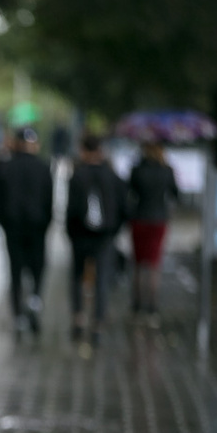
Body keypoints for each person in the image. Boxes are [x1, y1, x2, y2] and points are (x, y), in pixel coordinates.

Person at [65, 133, 125, 351]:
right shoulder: (112, 176)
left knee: (77, 278)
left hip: (80, 235)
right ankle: (98, 325)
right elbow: (123, 207)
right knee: (101, 282)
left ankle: (78, 319)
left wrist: (70, 234)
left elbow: (70, 210)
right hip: (104, 237)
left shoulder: (77, 175)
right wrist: (113, 231)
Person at [0, 127, 53, 336]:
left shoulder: (6, 167)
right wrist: (45, 224)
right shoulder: (44, 167)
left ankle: (18, 315)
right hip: (37, 227)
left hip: (14, 226)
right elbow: (49, 202)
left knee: (15, 272)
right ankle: (34, 301)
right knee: (37, 269)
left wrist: (6, 223)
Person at [127, 141, 179, 325]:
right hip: (159, 220)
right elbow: (176, 193)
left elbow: (130, 192)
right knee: (154, 263)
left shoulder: (137, 169)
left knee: (139, 262)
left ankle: (137, 303)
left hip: (139, 218)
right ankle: (152, 305)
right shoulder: (167, 170)